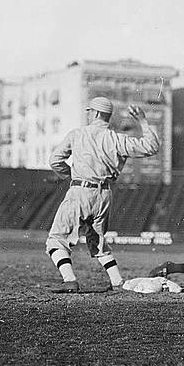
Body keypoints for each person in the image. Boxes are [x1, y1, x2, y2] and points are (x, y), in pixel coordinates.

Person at [46, 96, 160, 293]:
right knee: (97, 240)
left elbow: (55, 160)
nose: (87, 114)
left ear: (97, 113)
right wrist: (142, 121)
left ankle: (70, 280)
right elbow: (151, 147)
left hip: (80, 191)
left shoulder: (77, 134)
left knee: (56, 240)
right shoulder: (118, 139)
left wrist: (71, 175)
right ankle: (117, 281)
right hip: (104, 195)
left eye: (89, 110)